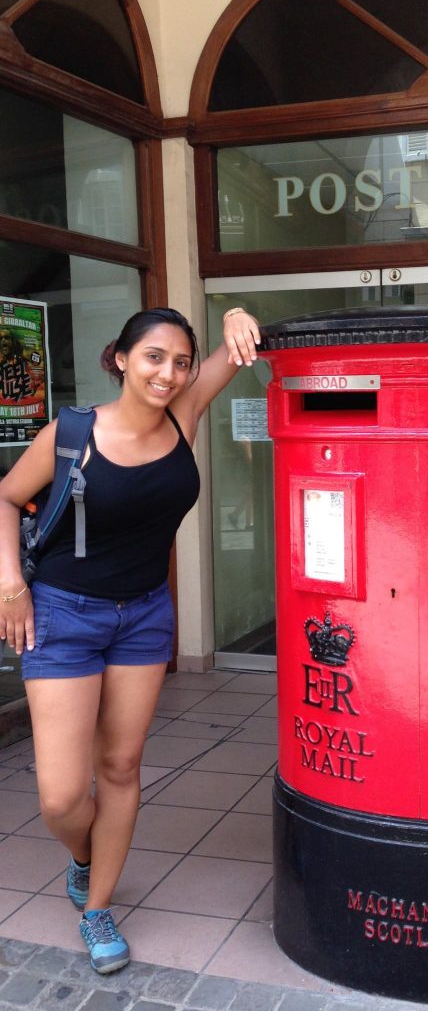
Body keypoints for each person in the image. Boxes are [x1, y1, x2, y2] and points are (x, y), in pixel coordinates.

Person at [0, 305, 260, 975]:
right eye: (153, 358)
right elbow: (5, 498)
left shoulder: (185, 413)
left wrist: (236, 311)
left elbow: (235, 347)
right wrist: (11, 586)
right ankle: (84, 856)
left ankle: (97, 908)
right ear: (120, 358)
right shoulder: (73, 432)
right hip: (62, 615)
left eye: (180, 361)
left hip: (144, 615)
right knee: (61, 795)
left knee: (119, 768)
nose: (169, 374)